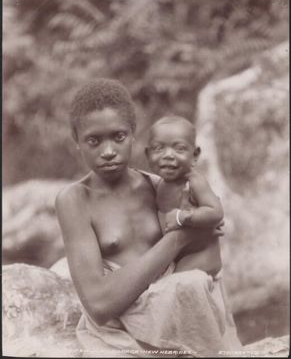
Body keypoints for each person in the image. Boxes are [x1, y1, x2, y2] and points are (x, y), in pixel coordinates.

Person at [55, 79, 242, 357]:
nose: (108, 151)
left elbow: (205, 250)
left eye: (118, 137)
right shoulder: (75, 200)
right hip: (123, 327)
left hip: (176, 314)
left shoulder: (160, 187)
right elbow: (99, 306)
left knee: (194, 284)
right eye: (94, 141)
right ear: (77, 143)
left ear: (133, 135)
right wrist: (178, 238)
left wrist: (202, 224)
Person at [145, 115, 223, 276]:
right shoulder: (159, 184)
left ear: (194, 156)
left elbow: (216, 212)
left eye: (179, 148)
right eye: (158, 148)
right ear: (147, 155)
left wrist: (183, 216)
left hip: (202, 257)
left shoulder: (193, 182)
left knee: (173, 286)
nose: (168, 155)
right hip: (178, 257)